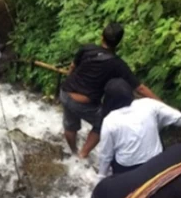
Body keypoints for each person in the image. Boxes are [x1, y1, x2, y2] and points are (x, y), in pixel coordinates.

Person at [59, 22, 160, 158]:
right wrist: (161, 104)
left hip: (65, 93)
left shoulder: (87, 49)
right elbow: (140, 88)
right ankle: (82, 155)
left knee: (70, 126)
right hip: (82, 103)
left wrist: (72, 81)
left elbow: (72, 67)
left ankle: (74, 153)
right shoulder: (117, 64)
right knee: (104, 122)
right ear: (119, 42)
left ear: (102, 37)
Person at [97, 78, 181, 180]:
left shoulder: (109, 120)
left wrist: (101, 177)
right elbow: (179, 118)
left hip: (128, 168)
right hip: (156, 160)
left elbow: (106, 154)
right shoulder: (148, 104)